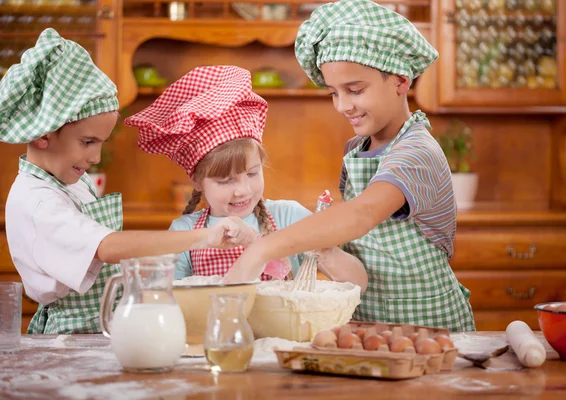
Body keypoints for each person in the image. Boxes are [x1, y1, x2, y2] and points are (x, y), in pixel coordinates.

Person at [225, 0, 475, 332]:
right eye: (333, 93)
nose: (343, 105)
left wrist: (260, 251)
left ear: (401, 80)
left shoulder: (417, 152)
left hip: (426, 324)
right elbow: (357, 240)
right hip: (368, 321)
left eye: (355, 90)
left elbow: (360, 215)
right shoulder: (357, 149)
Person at [0, 29, 254, 334]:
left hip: (102, 325)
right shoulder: (37, 200)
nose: (95, 157)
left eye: (100, 143)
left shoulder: (68, 183)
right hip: (71, 334)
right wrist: (204, 236)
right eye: (88, 141)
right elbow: (107, 248)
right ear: (43, 134)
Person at [124, 65, 367, 290]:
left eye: (252, 173)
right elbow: (172, 299)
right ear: (197, 181)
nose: (242, 190)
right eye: (225, 181)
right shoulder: (185, 231)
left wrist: (324, 250)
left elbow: (358, 283)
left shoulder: (289, 216)